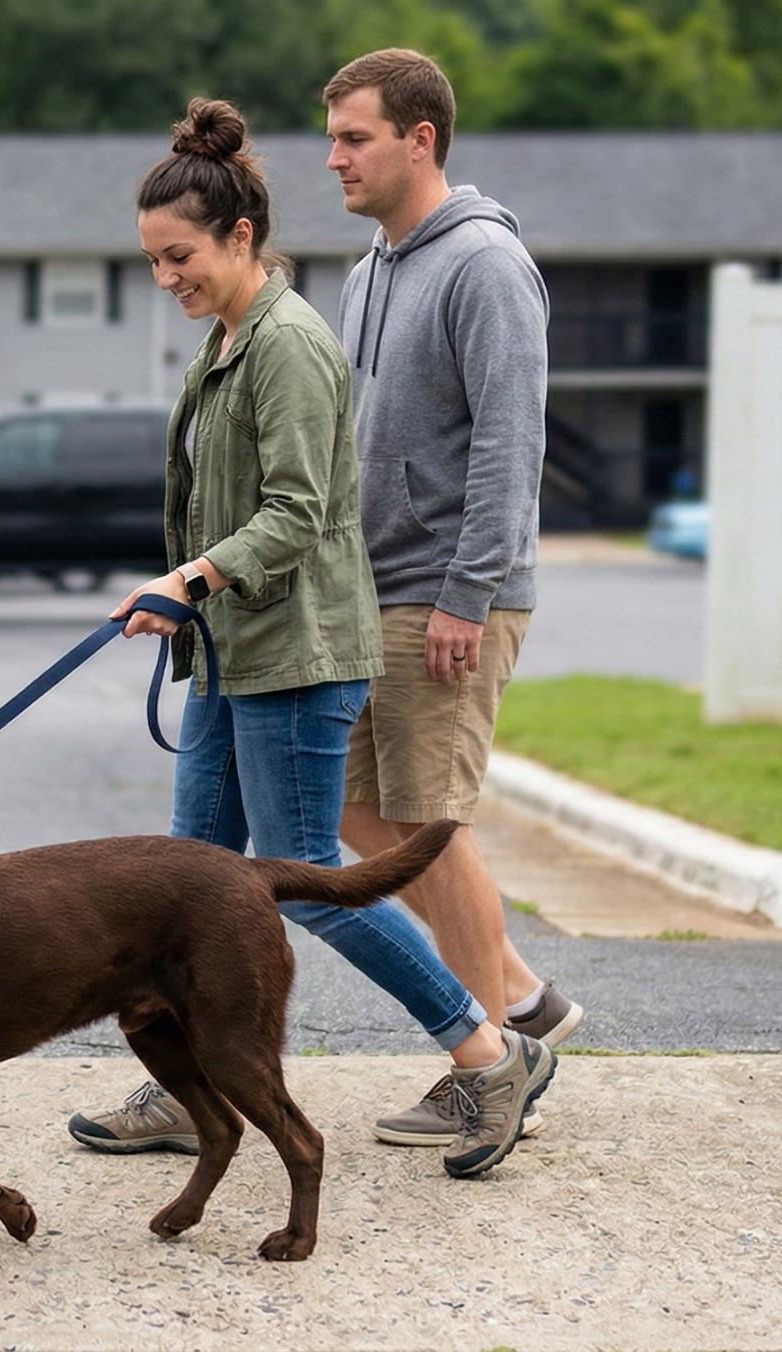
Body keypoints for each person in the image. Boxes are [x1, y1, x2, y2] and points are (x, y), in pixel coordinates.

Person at [67, 97, 544, 1178]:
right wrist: (188, 595)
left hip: (296, 651)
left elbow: (297, 510)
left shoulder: (286, 345)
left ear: (240, 237)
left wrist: (190, 574)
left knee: (303, 881)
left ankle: (488, 1050)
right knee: (180, 879)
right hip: (234, 647)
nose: (165, 279)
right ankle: (194, 1088)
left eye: (178, 255)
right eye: (150, 261)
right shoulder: (231, 338)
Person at [323, 48, 580, 1163]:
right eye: (332, 137)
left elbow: (512, 446)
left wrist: (468, 595)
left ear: (420, 139)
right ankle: (524, 1004)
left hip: (447, 595)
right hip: (375, 587)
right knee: (350, 810)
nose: (334, 158)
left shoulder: (483, 263)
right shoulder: (371, 267)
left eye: (355, 138)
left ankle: (489, 1066)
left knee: (429, 826)